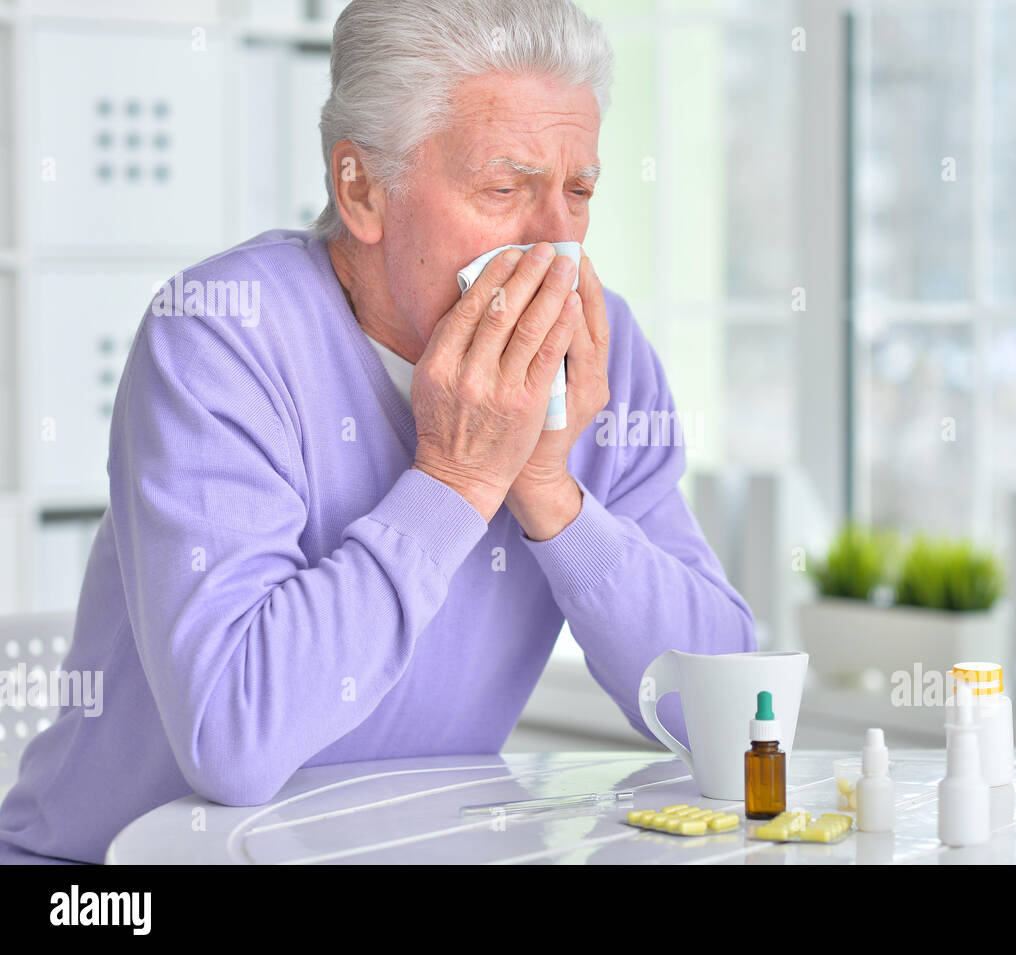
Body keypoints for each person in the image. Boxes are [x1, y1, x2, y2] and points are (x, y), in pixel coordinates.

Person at [0, 0, 754, 865]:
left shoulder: (595, 354)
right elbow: (235, 738)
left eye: (578, 191)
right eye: (505, 190)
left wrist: (550, 492)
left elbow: (735, 719)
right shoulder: (219, 336)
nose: (556, 240)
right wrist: (458, 484)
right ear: (361, 189)